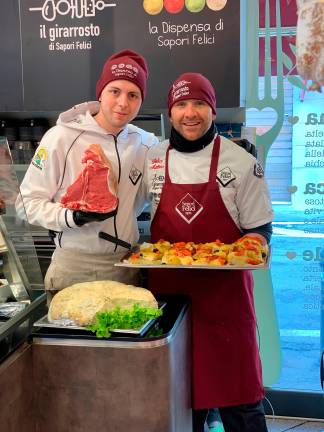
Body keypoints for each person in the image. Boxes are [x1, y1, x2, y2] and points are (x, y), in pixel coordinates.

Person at [143, 72, 273, 432]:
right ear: (170, 112)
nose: (190, 113)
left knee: (242, 404)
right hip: (171, 304)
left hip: (226, 301)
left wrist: (253, 247)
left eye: (200, 103)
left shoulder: (241, 161)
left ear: (213, 111)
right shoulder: (151, 158)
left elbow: (260, 229)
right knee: (183, 403)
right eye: (181, 104)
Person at [17, 49, 158, 303]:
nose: (123, 103)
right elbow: (26, 205)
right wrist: (71, 217)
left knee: (120, 343)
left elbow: (161, 186)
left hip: (126, 267)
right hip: (73, 267)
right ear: (101, 92)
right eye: (115, 91)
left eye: (133, 95)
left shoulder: (145, 142)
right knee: (71, 344)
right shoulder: (61, 137)